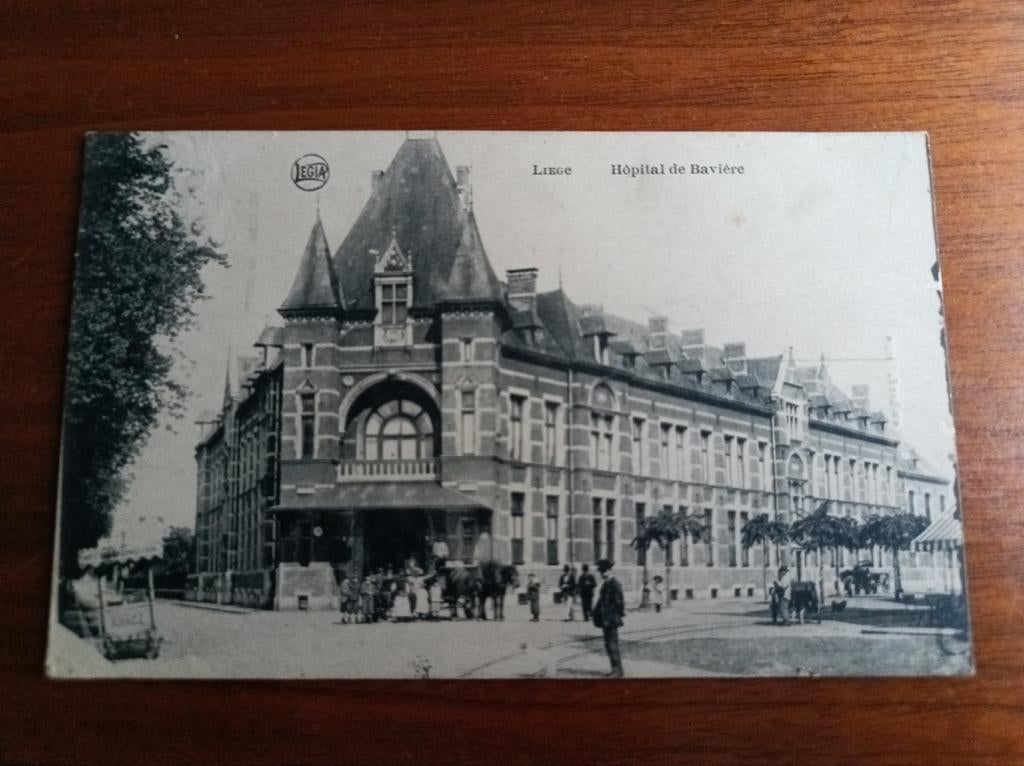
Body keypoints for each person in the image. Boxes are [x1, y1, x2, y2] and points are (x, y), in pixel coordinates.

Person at [594, 559, 625, 677]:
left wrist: (615, 615)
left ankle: (618, 670)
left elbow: (619, 603)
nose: (601, 574)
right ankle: (615, 669)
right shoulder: (606, 583)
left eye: (603, 571)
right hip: (606, 619)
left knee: (612, 644)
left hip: (611, 619)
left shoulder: (614, 584)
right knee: (608, 644)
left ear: (609, 570)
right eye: (601, 572)